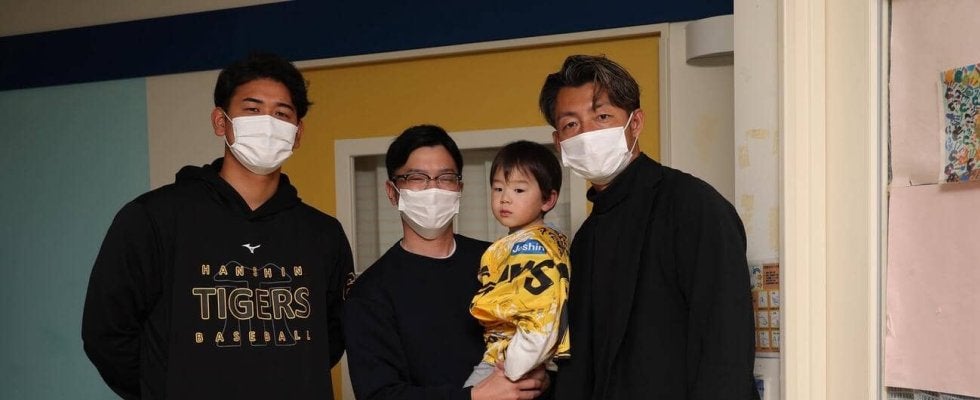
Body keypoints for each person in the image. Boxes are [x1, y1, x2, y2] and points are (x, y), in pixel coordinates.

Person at [82, 53, 354, 399]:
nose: (267, 123)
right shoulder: (153, 218)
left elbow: (332, 338)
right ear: (220, 122)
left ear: (297, 133)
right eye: (252, 109)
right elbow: (107, 333)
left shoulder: (323, 234)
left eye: (282, 114)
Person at [539, 55, 758, 399]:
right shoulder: (585, 239)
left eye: (602, 117)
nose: (587, 133)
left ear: (635, 122)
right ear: (559, 142)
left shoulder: (692, 206)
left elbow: (725, 347)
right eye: (571, 124)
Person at [343, 125, 549, 400]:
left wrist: (543, 377)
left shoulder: (500, 261)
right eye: (417, 178)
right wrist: (474, 396)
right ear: (392, 192)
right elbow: (379, 394)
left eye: (445, 178)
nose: (433, 189)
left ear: (459, 189)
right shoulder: (370, 293)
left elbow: (542, 328)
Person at [464, 140, 570, 387]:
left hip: (508, 360)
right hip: (512, 356)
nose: (505, 199)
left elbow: (542, 314)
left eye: (519, 190)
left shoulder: (531, 247)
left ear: (548, 199)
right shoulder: (532, 240)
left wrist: (512, 369)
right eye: (498, 188)